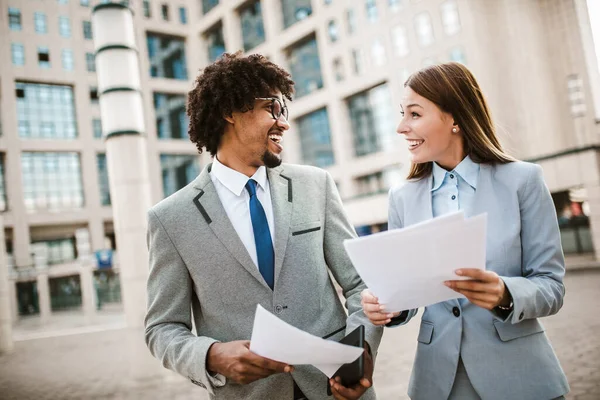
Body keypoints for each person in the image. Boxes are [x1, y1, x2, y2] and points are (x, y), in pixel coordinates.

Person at [144, 52, 382, 400]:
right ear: (231, 110)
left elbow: (361, 283)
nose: (284, 122)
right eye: (273, 108)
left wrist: (360, 354)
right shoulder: (169, 219)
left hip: (339, 392)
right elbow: (162, 328)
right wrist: (210, 356)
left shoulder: (316, 186)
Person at [361, 62, 569, 400]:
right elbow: (407, 294)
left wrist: (505, 293)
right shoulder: (402, 197)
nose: (401, 127)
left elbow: (551, 286)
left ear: (455, 118)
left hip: (521, 377)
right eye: (402, 114)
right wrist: (389, 304)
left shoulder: (523, 181)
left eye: (414, 114)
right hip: (438, 382)